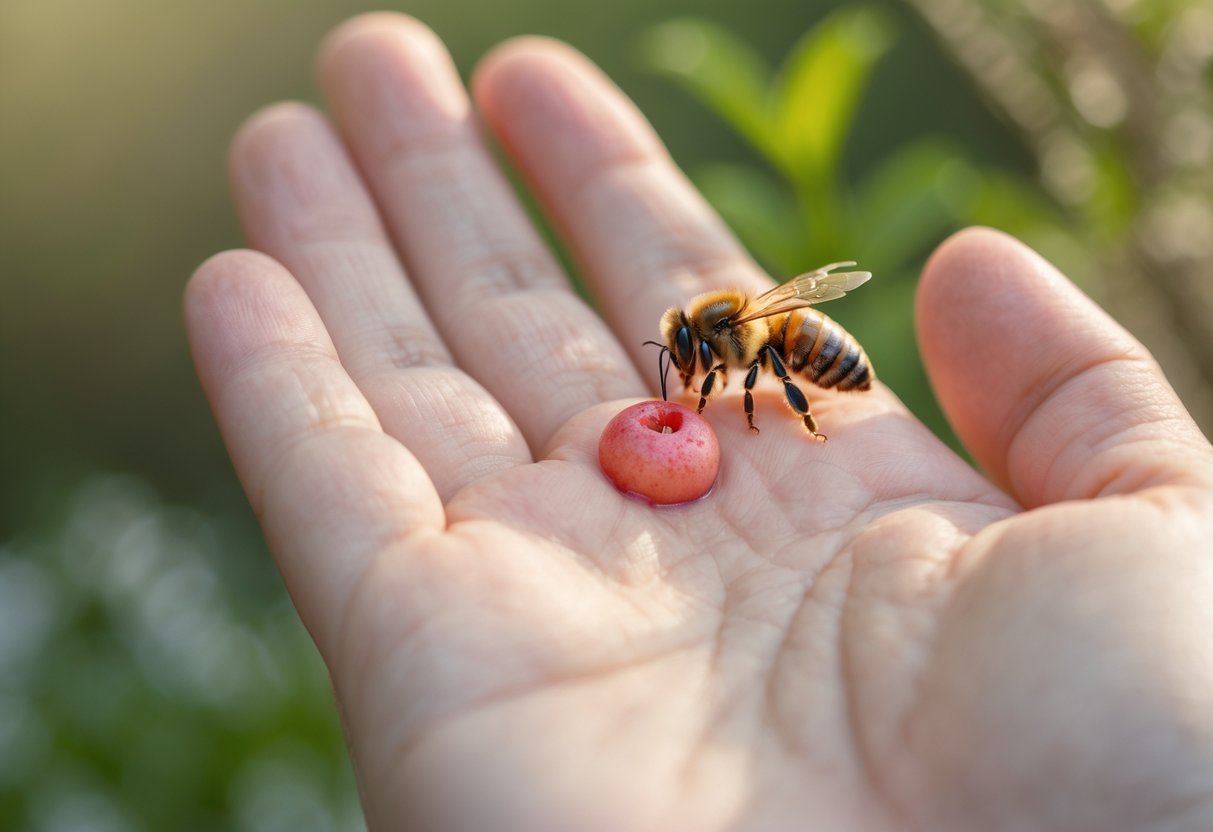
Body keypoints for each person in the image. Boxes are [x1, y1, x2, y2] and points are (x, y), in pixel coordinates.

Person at [185, 13, 1213, 831]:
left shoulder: (744, 342)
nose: (682, 377)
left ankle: (805, 417)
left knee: (786, 366)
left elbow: (764, 355)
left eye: (684, 363)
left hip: (812, 359)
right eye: (681, 367)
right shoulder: (712, 338)